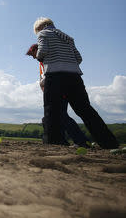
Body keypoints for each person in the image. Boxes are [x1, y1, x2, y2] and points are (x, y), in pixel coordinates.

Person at [32, 17, 118, 149]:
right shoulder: (68, 38)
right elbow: (79, 58)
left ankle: (55, 142)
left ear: (39, 28)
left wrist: (38, 56)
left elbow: (42, 51)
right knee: (85, 110)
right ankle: (109, 142)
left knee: (52, 110)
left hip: (55, 76)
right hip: (75, 77)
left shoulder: (43, 34)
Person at [28, 45, 90, 146]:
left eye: (33, 54)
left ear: (38, 50)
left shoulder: (49, 60)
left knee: (62, 116)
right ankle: (64, 141)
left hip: (59, 93)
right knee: (57, 118)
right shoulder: (41, 63)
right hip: (52, 94)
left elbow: (50, 76)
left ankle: (81, 140)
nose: (34, 57)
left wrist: (42, 83)